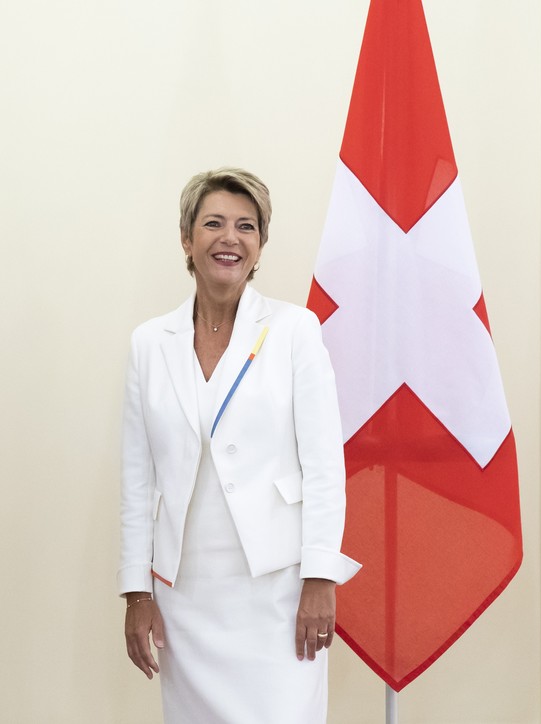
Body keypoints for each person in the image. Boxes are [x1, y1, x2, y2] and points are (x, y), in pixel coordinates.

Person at [118, 167, 361, 723]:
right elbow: (138, 479)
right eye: (214, 223)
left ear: (259, 246)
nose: (230, 237)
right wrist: (136, 592)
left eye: (246, 226)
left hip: (276, 590)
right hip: (185, 595)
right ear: (187, 239)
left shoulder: (295, 330)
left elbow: (325, 463)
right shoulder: (149, 344)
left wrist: (320, 577)